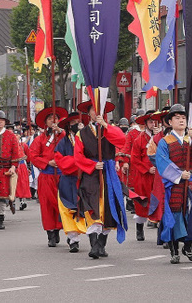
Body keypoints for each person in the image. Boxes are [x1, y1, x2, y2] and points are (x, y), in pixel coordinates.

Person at [74, 100, 127, 259]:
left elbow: (121, 141)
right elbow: (78, 156)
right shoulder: (81, 133)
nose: (96, 113)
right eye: (93, 110)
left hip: (108, 172)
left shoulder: (110, 130)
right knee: (93, 205)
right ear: (88, 113)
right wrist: (91, 164)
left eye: (100, 111)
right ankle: (94, 245)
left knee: (109, 208)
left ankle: (101, 244)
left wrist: (105, 125)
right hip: (91, 173)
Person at [155, 104, 192, 264]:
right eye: (177, 118)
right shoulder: (165, 141)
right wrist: (178, 174)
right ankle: (174, 250)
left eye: (183, 118)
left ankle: (189, 244)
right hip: (174, 182)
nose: (181, 121)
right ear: (170, 122)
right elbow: (162, 162)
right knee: (175, 213)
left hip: (191, 180)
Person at [29, 106, 68, 247]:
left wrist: (62, 132)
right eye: (50, 118)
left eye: (56, 118)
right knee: (47, 206)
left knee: (65, 204)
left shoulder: (65, 136)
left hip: (63, 176)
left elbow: (73, 148)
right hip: (47, 176)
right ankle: (51, 233)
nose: (53, 120)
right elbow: (32, 155)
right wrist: (47, 162)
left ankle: (68, 231)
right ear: (46, 122)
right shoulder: (40, 139)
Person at [54, 112, 89, 253]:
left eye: (79, 122)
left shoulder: (87, 140)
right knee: (68, 209)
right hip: (68, 180)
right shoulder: (63, 143)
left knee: (83, 208)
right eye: (73, 122)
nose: (77, 125)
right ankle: (73, 239)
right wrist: (78, 162)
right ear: (69, 126)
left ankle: (87, 235)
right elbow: (60, 160)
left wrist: (84, 164)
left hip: (84, 179)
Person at [129, 110, 161, 241]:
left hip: (158, 175)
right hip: (143, 177)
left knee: (159, 201)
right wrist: (147, 169)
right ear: (146, 123)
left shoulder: (162, 138)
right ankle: (139, 229)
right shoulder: (139, 139)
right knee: (141, 202)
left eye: (155, 121)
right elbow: (134, 159)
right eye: (150, 122)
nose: (153, 124)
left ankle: (161, 230)